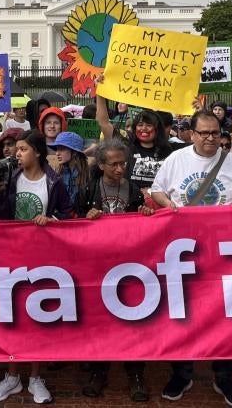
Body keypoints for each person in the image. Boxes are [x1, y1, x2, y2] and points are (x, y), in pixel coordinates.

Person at [150, 111, 232, 406]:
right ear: (191, 133)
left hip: (224, 253)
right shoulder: (176, 160)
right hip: (184, 252)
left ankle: (224, 376)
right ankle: (182, 373)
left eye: (215, 133)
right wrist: (168, 204)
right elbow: (156, 190)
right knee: (183, 314)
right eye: (204, 133)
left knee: (226, 314)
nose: (210, 139)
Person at [0, 130, 73, 404]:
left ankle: (35, 377)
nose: (17, 154)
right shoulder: (11, 179)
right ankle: (11, 376)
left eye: (22, 149)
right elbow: (1, 219)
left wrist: (52, 219)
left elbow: (68, 214)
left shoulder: (54, 181)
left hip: (43, 261)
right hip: (11, 259)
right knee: (11, 319)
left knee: (38, 318)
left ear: (37, 152)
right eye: (16, 150)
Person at [78, 136, 154, 402]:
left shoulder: (132, 190)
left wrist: (144, 213)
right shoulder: (88, 191)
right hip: (98, 268)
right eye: (114, 165)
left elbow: (141, 223)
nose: (120, 169)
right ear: (100, 165)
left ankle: (135, 373)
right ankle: (100, 371)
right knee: (101, 322)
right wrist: (85, 218)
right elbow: (72, 225)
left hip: (129, 268)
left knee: (132, 322)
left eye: (123, 164)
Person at [53, 131, 89, 211]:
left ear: (74, 152)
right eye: (57, 149)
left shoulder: (88, 175)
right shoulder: (56, 174)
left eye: (61, 149)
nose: (57, 153)